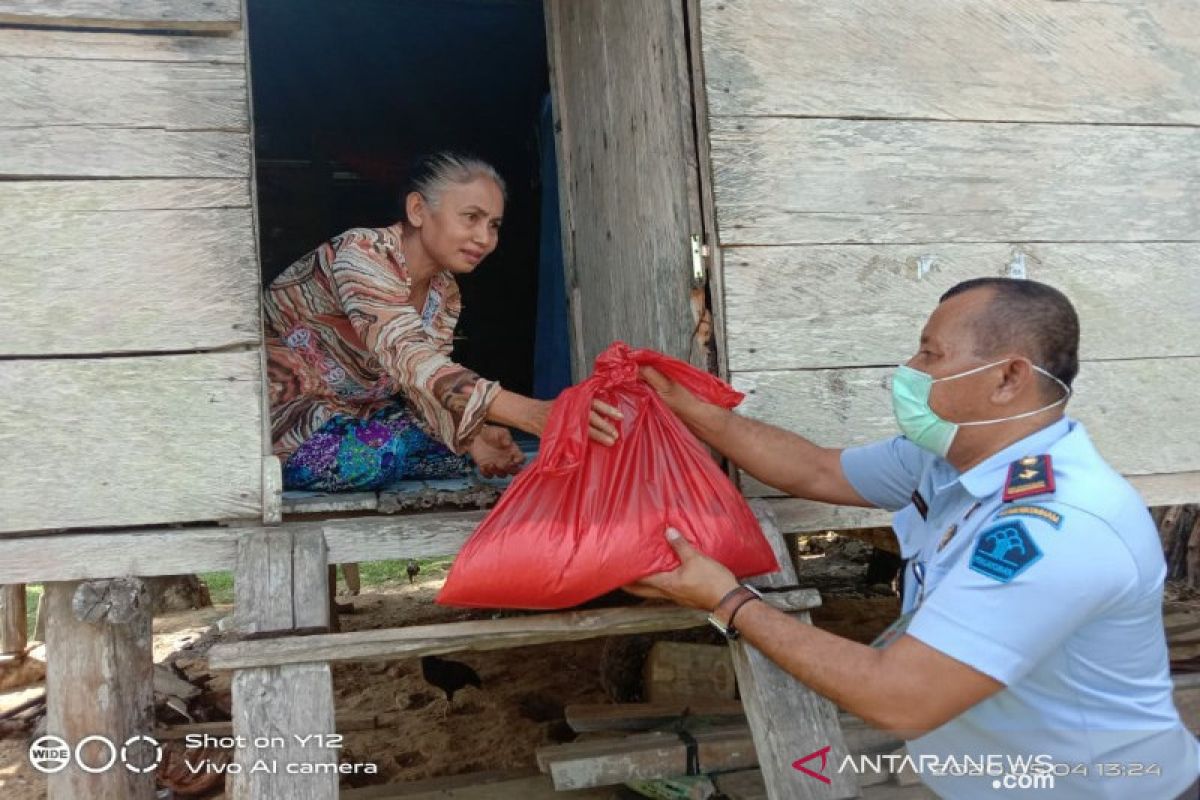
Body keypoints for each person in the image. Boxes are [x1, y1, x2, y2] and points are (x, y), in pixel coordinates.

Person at [628, 278, 1199, 798]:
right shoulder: (948, 458)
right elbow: (816, 470)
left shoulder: (1058, 524)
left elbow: (899, 698)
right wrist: (696, 412)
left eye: (931, 353)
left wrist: (729, 603)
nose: (909, 367)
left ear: (1008, 378)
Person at [263, 152, 621, 492]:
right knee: (378, 457)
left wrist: (470, 438)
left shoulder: (444, 292)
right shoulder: (360, 254)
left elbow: (423, 386)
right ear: (418, 210)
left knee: (448, 456)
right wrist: (533, 414)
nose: (485, 238)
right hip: (286, 419)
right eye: (471, 217)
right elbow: (412, 359)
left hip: (357, 416)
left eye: (493, 225)